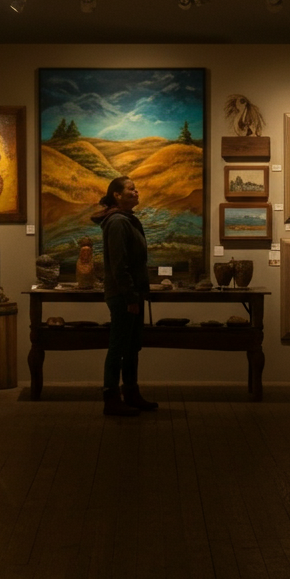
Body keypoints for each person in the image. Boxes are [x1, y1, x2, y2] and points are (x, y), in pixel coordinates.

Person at [91, 176, 158, 416]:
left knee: (130, 347)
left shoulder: (126, 220)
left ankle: (131, 393)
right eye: (131, 189)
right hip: (123, 296)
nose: (136, 191)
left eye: (136, 188)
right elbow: (119, 265)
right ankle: (111, 398)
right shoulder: (118, 222)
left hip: (131, 294)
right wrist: (130, 297)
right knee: (118, 347)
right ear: (117, 195)